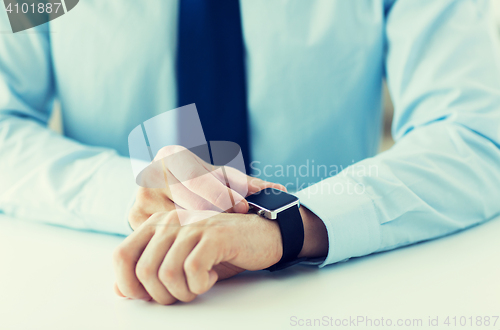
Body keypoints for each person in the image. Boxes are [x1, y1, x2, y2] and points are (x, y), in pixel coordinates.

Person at [1, 0, 499, 305]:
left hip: (335, 289)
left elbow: (475, 135)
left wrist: (292, 225)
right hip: (105, 292)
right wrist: (135, 197)